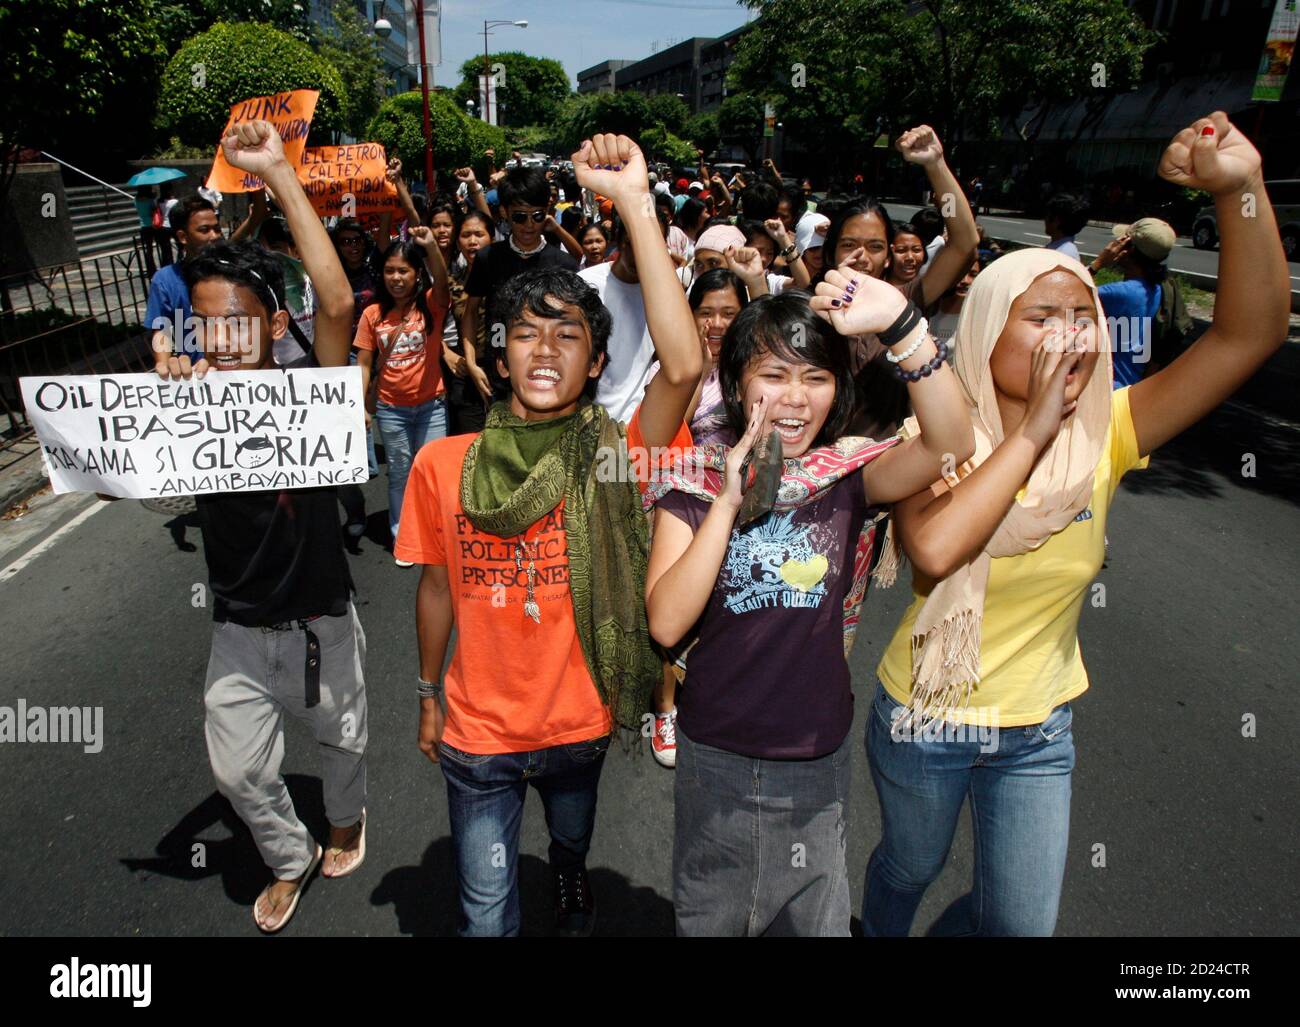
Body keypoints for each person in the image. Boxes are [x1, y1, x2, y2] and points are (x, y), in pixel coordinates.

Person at [862, 113, 1289, 938]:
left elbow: (1250, 333)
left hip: (1040, 730)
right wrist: (1028, 436)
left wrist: (1241, 188)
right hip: (924, 717)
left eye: (1082, 316)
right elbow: (935, 545)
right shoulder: (933, 433)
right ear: (985, 329)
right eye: (1041, 317)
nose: (1070, 335)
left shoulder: (1111, 429)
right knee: (906, 870)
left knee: (1018, 923)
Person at [394, 133, 702, 937]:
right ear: (498, 355)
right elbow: (435, 588)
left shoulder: (616, 459)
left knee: (571, 843)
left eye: (569, 335)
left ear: (598, 362)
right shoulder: (442, 464)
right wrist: (428, 695)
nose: (545, 348)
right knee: (488, 916)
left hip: (579, 728)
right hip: (478, 739)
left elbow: (682, 369)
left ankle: (569, 871)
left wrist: (634, 200)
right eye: (527, 332)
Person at [644, 266, 975, 936]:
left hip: (814, 759)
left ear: (839, 390)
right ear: (735, 385)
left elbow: (951, 443)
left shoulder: (849, 478)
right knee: (709, 918)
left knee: (811, 920)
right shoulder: (693, 486)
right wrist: (730, 500)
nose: (794, 398)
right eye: (773, 374)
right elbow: (667, 620)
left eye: (816, 377)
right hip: (715, 755)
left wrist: (903, 325)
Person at [155, 120, 366, 933]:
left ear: (275, 327)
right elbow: (115, 474)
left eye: (238, 320)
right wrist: (165, 392)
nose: (220, 337)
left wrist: (277, 170)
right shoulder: (188, 402)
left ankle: (345, 823)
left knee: (342, 742)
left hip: (322, 615)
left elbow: (339, 297)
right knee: (238, 770)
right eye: (204, 324)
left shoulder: (313, 383)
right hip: (238, 625)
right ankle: (290, 855)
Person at [642, 268, 750, 768]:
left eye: (729, 312)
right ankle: (665, 710)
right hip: (681, 503)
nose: (716, 322)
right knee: (671, 614)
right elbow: (665, 431)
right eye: (705, 311)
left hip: (744, 506)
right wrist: (695, 367)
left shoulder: (757, 365)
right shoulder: (674, 370)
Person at [354, 232, 451, 561]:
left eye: (404, 271)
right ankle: (402, 535)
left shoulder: (432, 305)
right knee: (399, 472)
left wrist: (432, 248)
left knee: (431, 473)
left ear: (417, 273)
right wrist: (360, 406)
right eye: (390, 270)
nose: (396, 278)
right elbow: (364, 363)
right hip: (391, 410)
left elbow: (444, 284)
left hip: (431, 408)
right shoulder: (372, 315)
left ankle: (434, 534)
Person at [461, 166, 580, 405]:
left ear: (546, 212)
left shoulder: (563, 265)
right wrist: (472, 363)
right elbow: (470, 311)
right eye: (519, 216)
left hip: (548, 376)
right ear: (505, 213)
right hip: (497, 376)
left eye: (537, 216)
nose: (528, 225)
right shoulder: (488, 258)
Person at [1085, 217, 1178, 386]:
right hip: (1131, 384)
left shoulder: (1119, 294)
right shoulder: (1159, 288)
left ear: (1127, 249)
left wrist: (1098, 263)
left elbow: (1065, 296)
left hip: (1108, 388)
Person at [147, 195, 223, 368]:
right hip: (195, 378)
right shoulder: (165, 280)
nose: (215, 236)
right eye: (205, 230)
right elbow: (161, 331)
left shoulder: (235, 272)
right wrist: (164, 369)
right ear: (183, 236)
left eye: (217, 228)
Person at [927, 256, 980, 352]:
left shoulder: (979, 317)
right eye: (959, 274)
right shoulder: (928, 307)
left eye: (972, 275)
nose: (965, 281)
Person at [1044, 192, 1091, 262]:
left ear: (1056, 222)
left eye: (1047, 215)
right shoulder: (1065, 251)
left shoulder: (1061, 256)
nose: (1045, 219)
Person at [887, 222, 929, 290]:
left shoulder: (929, 291)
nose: (910, 257)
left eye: (916, 250)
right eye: (901, 250)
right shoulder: (871, 289)